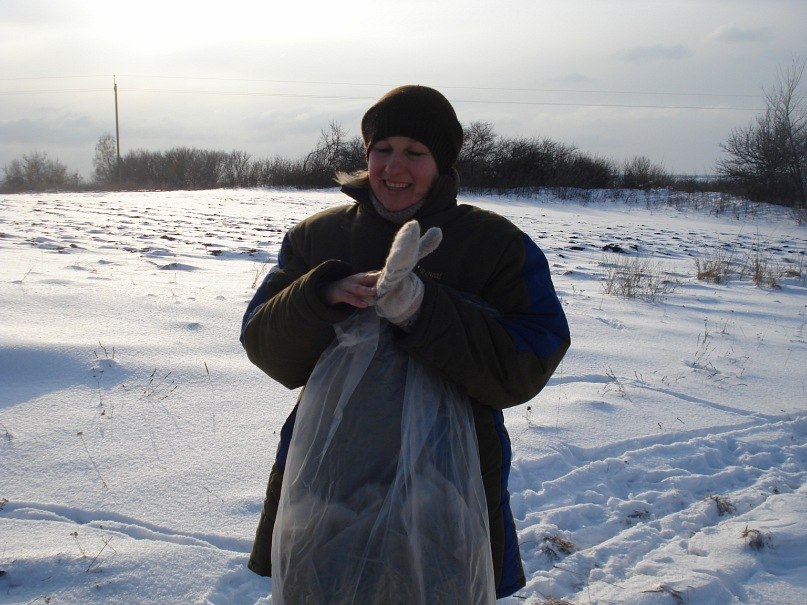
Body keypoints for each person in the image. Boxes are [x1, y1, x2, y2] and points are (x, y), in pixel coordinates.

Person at [240, 84, 571, 601]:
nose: (395, 167)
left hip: (446, 488)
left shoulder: (496, 245)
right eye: (382, 150)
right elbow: (265, 344)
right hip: (329, 479)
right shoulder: (317, 238)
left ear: (441, 162)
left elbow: (527, 361)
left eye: (415, 153)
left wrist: (424, 309)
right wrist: (319, 294)